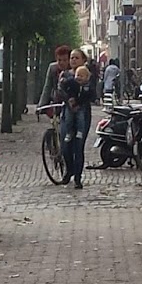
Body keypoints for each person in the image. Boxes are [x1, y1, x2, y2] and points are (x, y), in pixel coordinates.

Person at [57, 47, 96, 190]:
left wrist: (78, 102)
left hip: (82, 113)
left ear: (83, 60)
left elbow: (92, 93)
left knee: (78, 147)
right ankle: (69, 170)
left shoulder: (88, 75)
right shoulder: (65, 74)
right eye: (72, 57)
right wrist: (69, 101)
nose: (73, 60)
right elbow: (60, 90)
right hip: (67, 112)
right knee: (65, 145)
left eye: (76, 58)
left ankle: (78, 178)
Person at [39, 45, 72, 110]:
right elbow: (47, 87)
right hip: (57, 100)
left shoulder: (73, 69)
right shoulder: (53, 68)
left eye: (65, 60)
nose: (61, 63)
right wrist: (41, 106)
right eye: (59, 60)